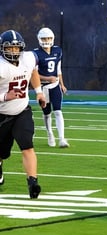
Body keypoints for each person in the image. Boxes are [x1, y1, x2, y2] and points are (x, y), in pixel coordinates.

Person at [0, 30, 47, 198]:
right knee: (2, 152)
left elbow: (33, 71)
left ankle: (33, 182)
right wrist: (5, 96)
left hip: (22, 111)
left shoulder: (28, 58)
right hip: (2, 114)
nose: (13, 51)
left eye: (16, 48)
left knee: (27, 146)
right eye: (10, 48)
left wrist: (39, 92)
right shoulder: (1, 67)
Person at [33, 27, 69, 148]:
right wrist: (48, 79)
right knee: (47, 113)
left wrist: (62, 84)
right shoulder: (35, 54)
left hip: (55, 86)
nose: (46, 40)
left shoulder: (57, 50)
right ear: (39, 39)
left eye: (48, 38)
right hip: (43, 88)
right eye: (44, 38)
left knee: (58, 111)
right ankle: (49, 133)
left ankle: (62, 139)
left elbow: (58, 69)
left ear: (52, 38)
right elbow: (34, 75)